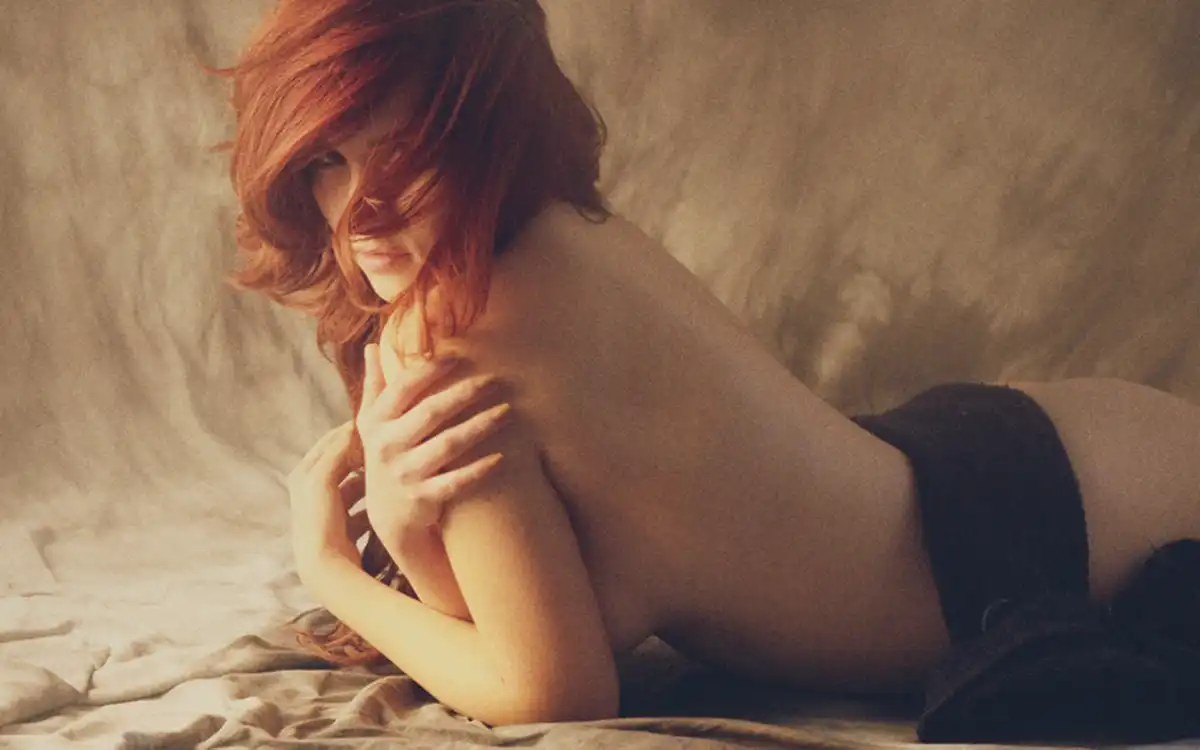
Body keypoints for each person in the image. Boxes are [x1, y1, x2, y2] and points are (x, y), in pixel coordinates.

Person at [216, 0, 1200, 738]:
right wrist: (405, 527)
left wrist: (333, 571)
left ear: (487, 133)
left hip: (1044, 536)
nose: (361, 213)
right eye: (328, 160)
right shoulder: (564, 226)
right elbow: (541, 618)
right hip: (1030, 455)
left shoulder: (445, 333)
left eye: (407, 155)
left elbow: (548, 692)